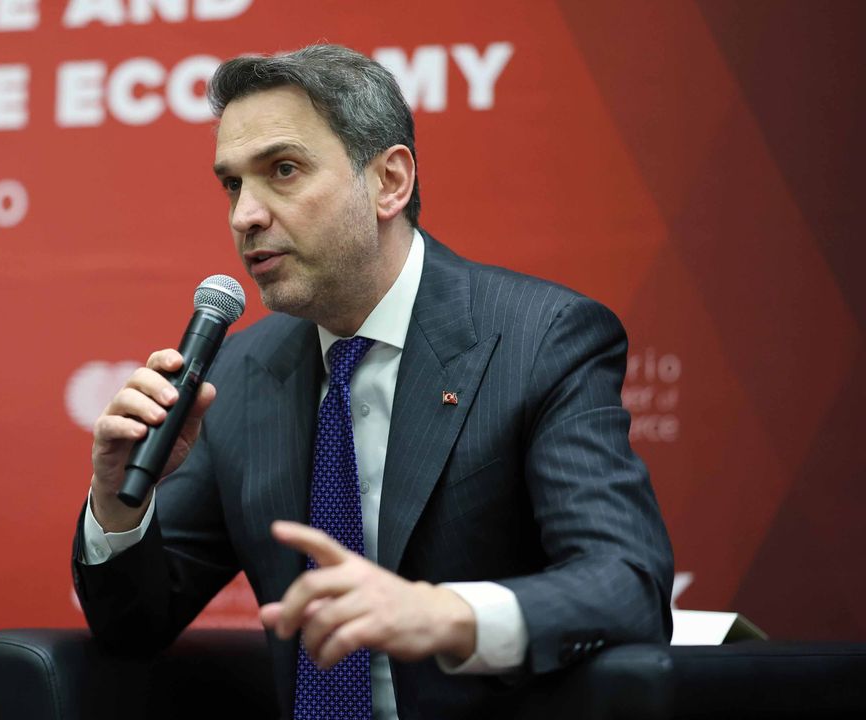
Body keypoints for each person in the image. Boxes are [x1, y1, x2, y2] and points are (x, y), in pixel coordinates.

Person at [73, 44, 673, 719]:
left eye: (283, 170)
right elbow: (133, 629)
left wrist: (442, 613)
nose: (245, 215)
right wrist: (118, 505)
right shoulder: (241, 373)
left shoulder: (540, 340)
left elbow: (627, 585)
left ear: (390, 181)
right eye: (233, 185)